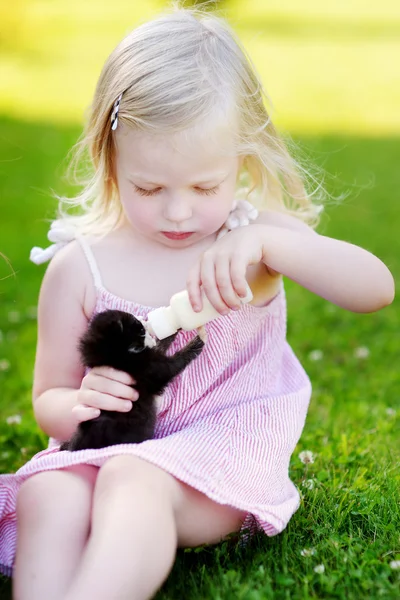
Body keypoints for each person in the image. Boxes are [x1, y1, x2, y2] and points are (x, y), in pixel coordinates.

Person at [0, 6, 394, 600]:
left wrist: (268, 242)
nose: (179, 212)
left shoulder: (255, 241)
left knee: (134, 479)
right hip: (107, 447)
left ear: (243, 159)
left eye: (206, 187)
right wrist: (79, 402)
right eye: (150, 188)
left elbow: (375, 288)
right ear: (111, 163)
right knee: (47, 493)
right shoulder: (80, 266)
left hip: (220, 455)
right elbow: (48, 402)